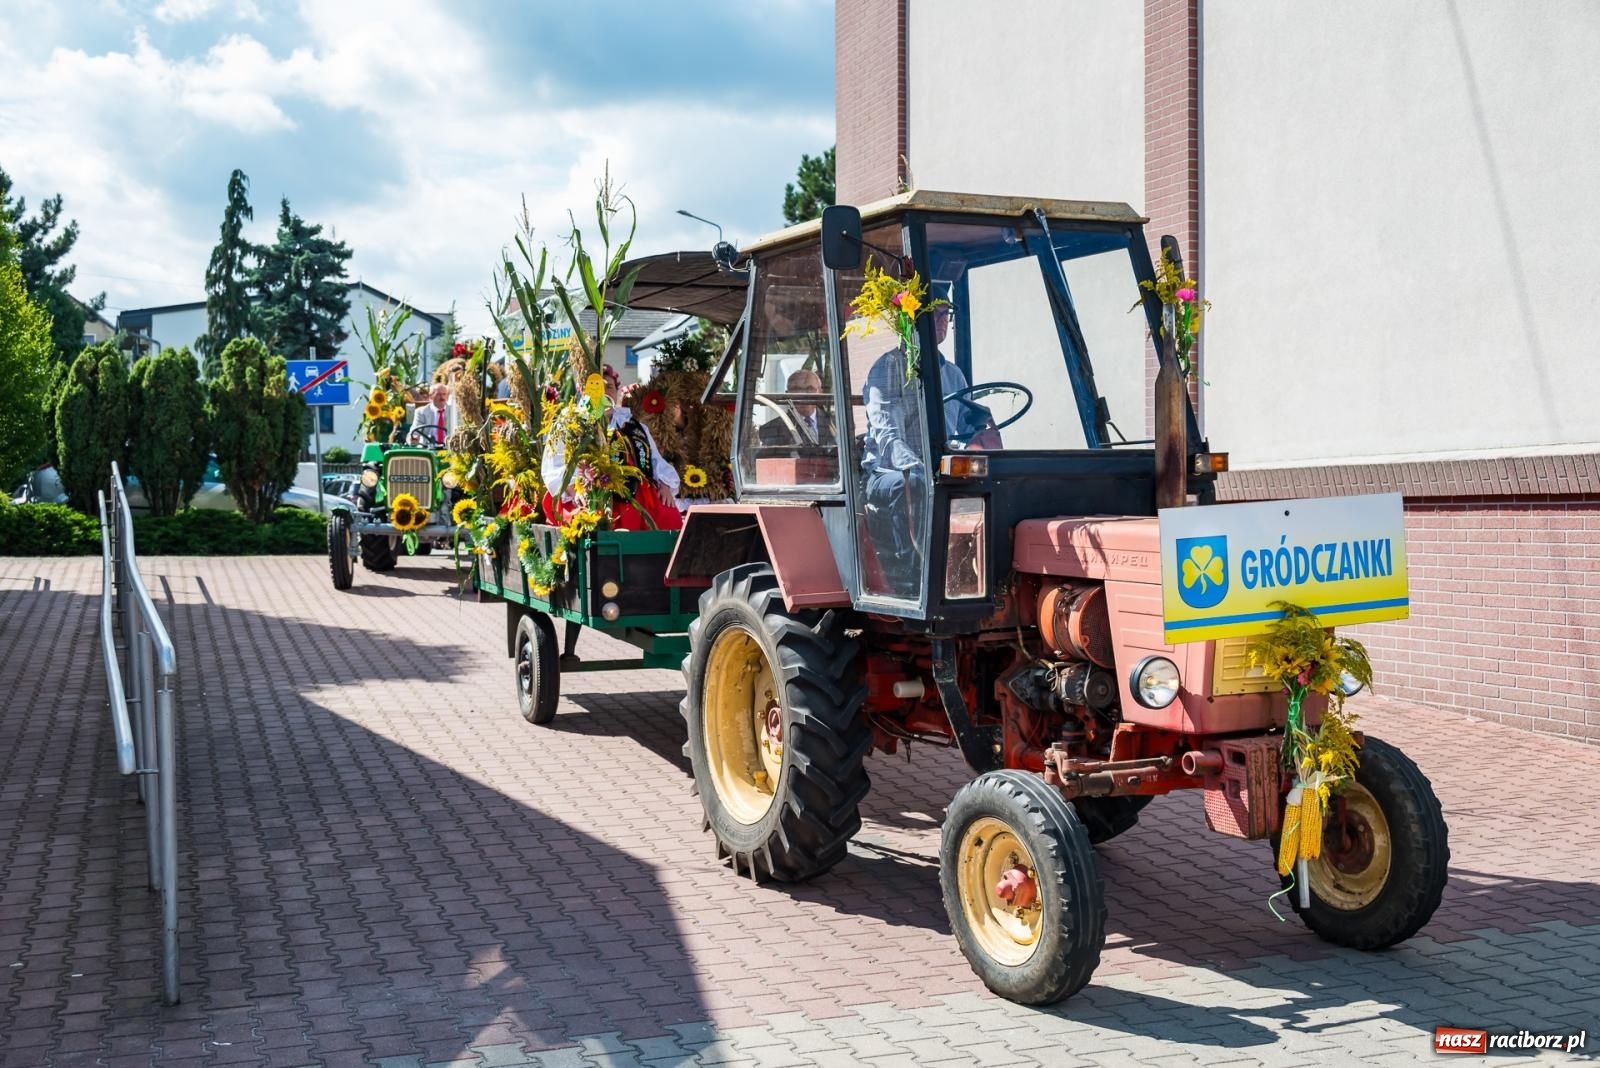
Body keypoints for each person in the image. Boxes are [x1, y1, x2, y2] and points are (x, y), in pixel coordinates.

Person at [859, 299, 995, 592]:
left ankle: (979, 574)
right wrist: (918, 466)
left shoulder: (953, 374)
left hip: (934, 466)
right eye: (933, 314)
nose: (941, 320)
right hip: (886, 472)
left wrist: (983, 430)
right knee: (915, 483)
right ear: (911, 320)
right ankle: (915, 579)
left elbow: (967, 425)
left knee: (990, 478)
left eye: (946, 313)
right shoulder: (887, 369)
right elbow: (887, 436)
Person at [541, 364, 683, 532]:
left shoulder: (632, 425)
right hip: (587, 493)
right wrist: (574, 490)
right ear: (585, 391)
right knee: (588, 522)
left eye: (609, 387)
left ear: (617, 391)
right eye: (597, 387)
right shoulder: (570, 423)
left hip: (633, 492)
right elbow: (554, 465)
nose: (604, 392)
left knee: (668, 515)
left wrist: (665, 484)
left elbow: (655, 460)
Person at [758, 368, 835, 446]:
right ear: (787, 395)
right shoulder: (770, 430)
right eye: (796, 390)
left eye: (810, 389)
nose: (804, 395)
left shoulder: (837, 424)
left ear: (820, 393)